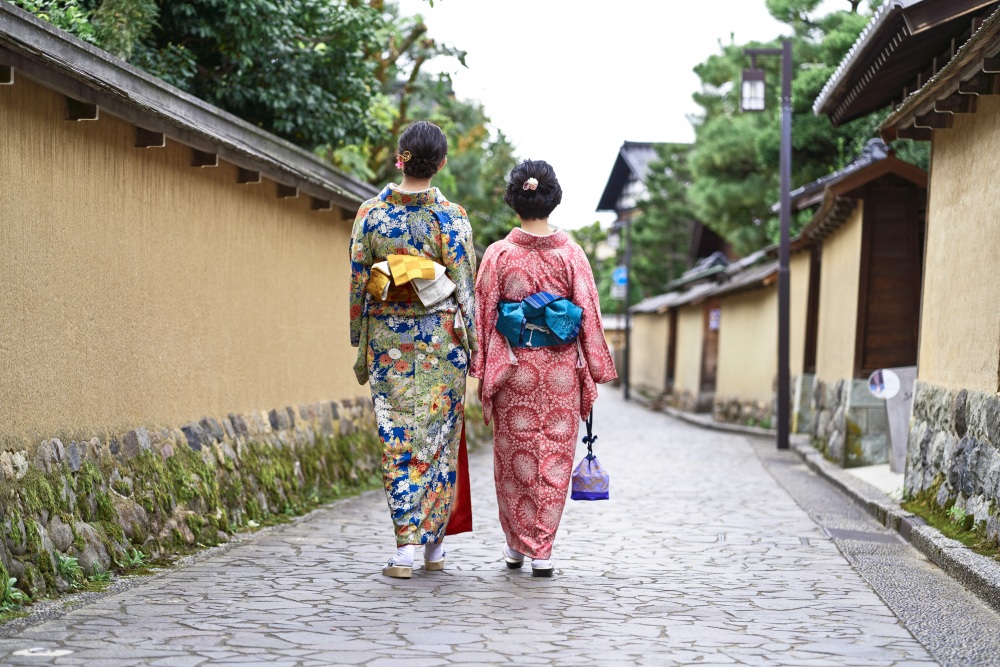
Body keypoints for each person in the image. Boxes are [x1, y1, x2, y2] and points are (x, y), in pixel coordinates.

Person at [471, 159, 617, 577]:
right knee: (551, 457)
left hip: (514, 369)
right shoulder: (572, 255)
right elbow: (588, 312)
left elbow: (483, 314)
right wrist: (596, 365)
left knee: (513, 459)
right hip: (559, 377)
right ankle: (542, 550)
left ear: (514, 200)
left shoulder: (498, 255)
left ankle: (518, 544)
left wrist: (482, 365)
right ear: (552, 199)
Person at [349, 121, 477, 579]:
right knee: (438, 444)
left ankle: (406, 547)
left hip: (389, 343)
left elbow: (361, 282)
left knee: (397, 441)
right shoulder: (451, 216)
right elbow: (463, 288)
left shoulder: (371, 214)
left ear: (400, 157)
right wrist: (475, 347)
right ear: (442, 162)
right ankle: (434, 549)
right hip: (441, 343)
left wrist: (359, 340)